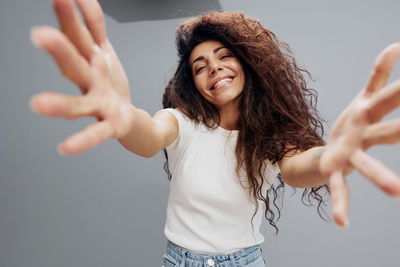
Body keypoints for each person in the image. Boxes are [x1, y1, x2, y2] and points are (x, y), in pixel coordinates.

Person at [30, 0, 400, 266]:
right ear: (192, 82)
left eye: (224, 56)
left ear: (248, 62)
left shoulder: (270, 135)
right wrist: (122, 116)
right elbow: (147, 136)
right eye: (200, 66)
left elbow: (300, 168)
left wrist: (334, 154)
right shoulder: (181, 122)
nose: (215, 69)